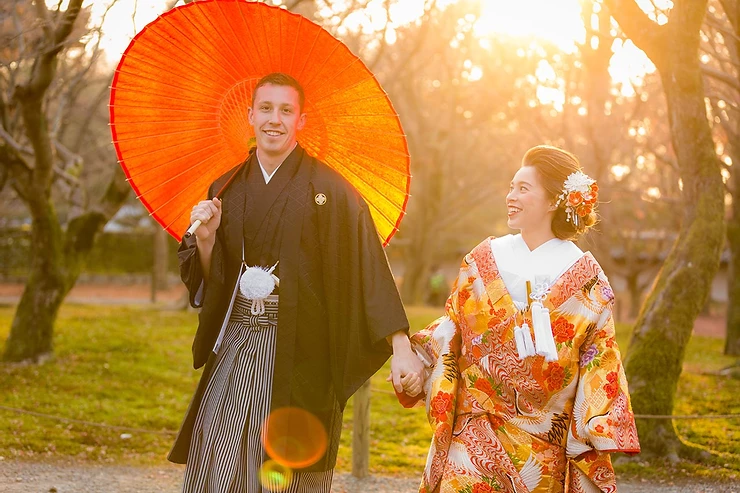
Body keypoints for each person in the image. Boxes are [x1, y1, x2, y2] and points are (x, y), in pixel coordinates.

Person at [168, 72, 424, 493]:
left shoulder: (330, 190)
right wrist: (208, 240)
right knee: (218, 453)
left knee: (289, 465)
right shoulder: (224, 189)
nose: (275, 119)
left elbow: (366, 268)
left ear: (301, 120)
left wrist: (400, 346)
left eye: (286, 110)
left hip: (301, 348)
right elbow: (212, 284)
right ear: (249, 115)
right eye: (265, 109)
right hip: (236, 341)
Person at [395, 145, 640, 493]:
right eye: (511, 187)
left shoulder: (586, 276)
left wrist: (599, 426)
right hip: (473, 430)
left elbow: (599, 354)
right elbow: (454, 325)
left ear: (555, 201)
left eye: (523, 188)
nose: (511, 196)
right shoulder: (483, 259)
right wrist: (416, 360)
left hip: (542, 442)